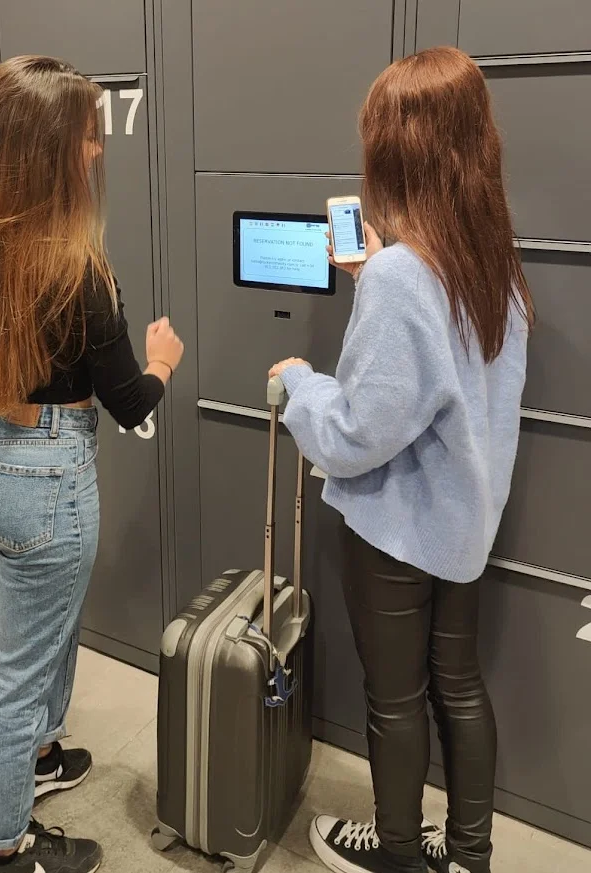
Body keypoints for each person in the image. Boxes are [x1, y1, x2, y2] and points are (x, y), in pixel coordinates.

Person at [0, 56, 184, 873]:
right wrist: (163, 360)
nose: (99, 151)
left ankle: (35, 759)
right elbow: (131, 402)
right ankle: (5, 849)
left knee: (29, 634)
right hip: (44, 482)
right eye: (88, 137)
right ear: (46, 151)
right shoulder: (76, 267)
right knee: (17, 672)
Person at [270, 47, 534, 873]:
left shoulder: (400, 274)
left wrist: (299, 386)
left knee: (395, 702)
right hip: (464, 524)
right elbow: (441, 379)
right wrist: (372, 279)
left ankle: (393, 854)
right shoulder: (495, 265)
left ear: (398, 149)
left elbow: (355, 433)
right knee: (457, 683)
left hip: (395, 531)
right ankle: (468, 856)